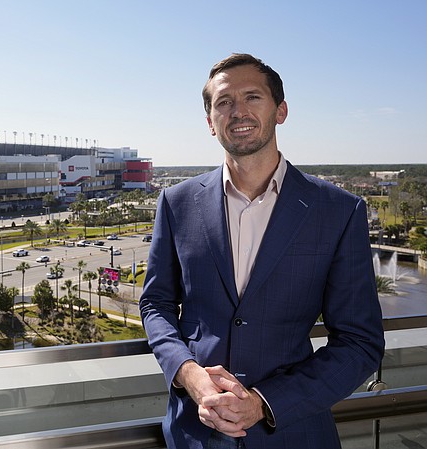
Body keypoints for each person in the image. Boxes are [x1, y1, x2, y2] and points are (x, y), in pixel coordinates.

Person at [139, 53, 384, 449]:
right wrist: (188, 373)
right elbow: (155, 304)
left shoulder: (338, 210)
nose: (238, 111)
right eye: (223, 102)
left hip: (293, 432)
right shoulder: (176, 203)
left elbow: (360, 342)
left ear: (281, 110)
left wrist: (262, 403)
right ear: (209, 122)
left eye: (252, 97)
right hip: (195, 433)